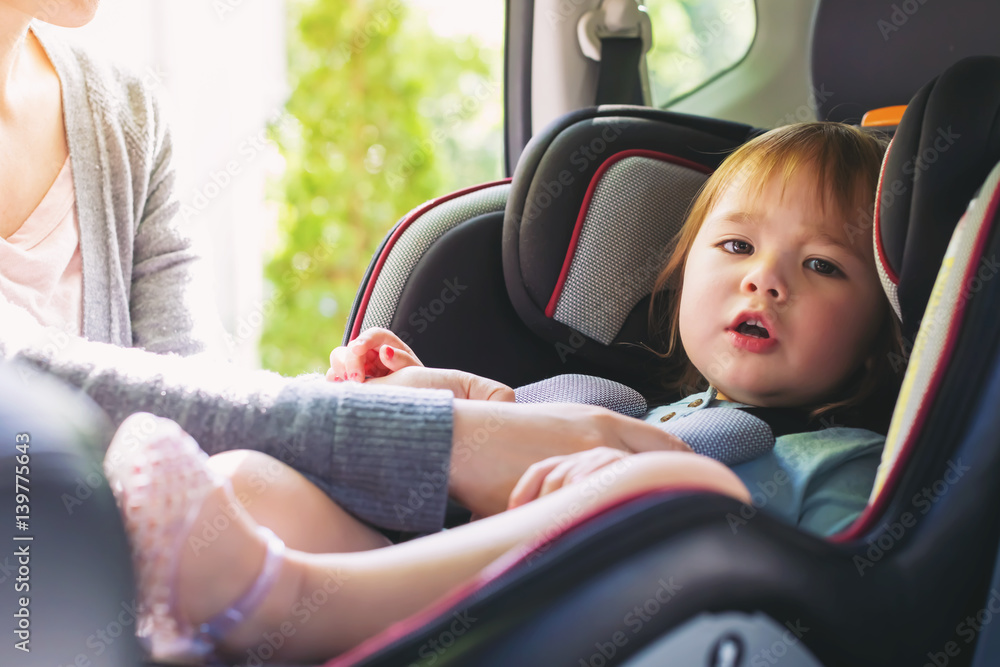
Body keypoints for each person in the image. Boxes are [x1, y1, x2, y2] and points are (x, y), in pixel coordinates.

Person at [102, 122, 905, 663]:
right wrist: (425, 391)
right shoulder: (625, 410)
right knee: (247, 481)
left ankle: (280, 596)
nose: (765, 278)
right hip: (450, 594)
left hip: (602, 635)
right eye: (736, 246)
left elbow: (839, 614)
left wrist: (619, 510)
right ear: (682, 271)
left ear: (880, 337)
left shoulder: (846, 464)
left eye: (823, 265)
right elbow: (486, 473)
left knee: (673, 479)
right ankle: (235, 597)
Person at [0, 1, 688, 541]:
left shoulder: (124, 112)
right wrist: (437, 446)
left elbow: (185, 400)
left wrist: (368, 401)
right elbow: (23, 385)